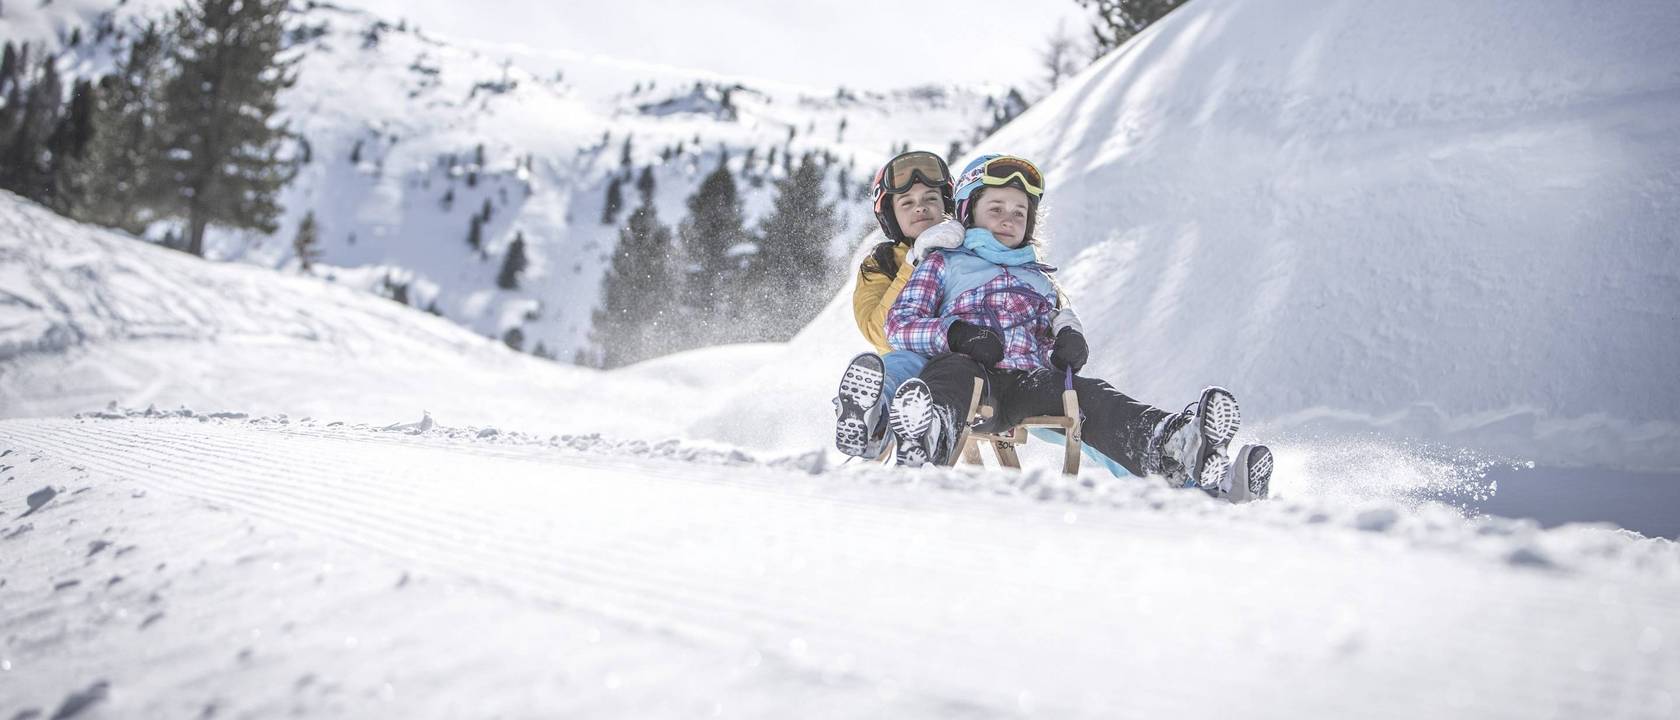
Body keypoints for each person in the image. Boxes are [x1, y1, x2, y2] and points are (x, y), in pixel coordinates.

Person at [883, 154, 1271, 501]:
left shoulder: (1039, 280)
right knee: (952, 373)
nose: (1008, 218)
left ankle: (1178, 445)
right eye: (996, 207)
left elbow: (1057, 322)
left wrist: (1069, 339)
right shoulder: (945, 263)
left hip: (1024, 382)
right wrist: (955, 335)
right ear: (968, 212)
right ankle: (927, 436)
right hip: (968, 377)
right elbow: (899, 324)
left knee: (1089, 395)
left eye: (1020, 212)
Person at [832, 150, 966, 459]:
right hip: (909, 362)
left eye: (931, 199)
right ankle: (870, 420)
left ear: (946, 206)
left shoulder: (971, 250)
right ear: (891, 215)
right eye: (907, 202)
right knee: (897, 364)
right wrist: (913, 261)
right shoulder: (880, 264)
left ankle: (913, 438)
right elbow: (878, 332)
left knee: (942, 373)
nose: (921, 207)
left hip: (963, 362)